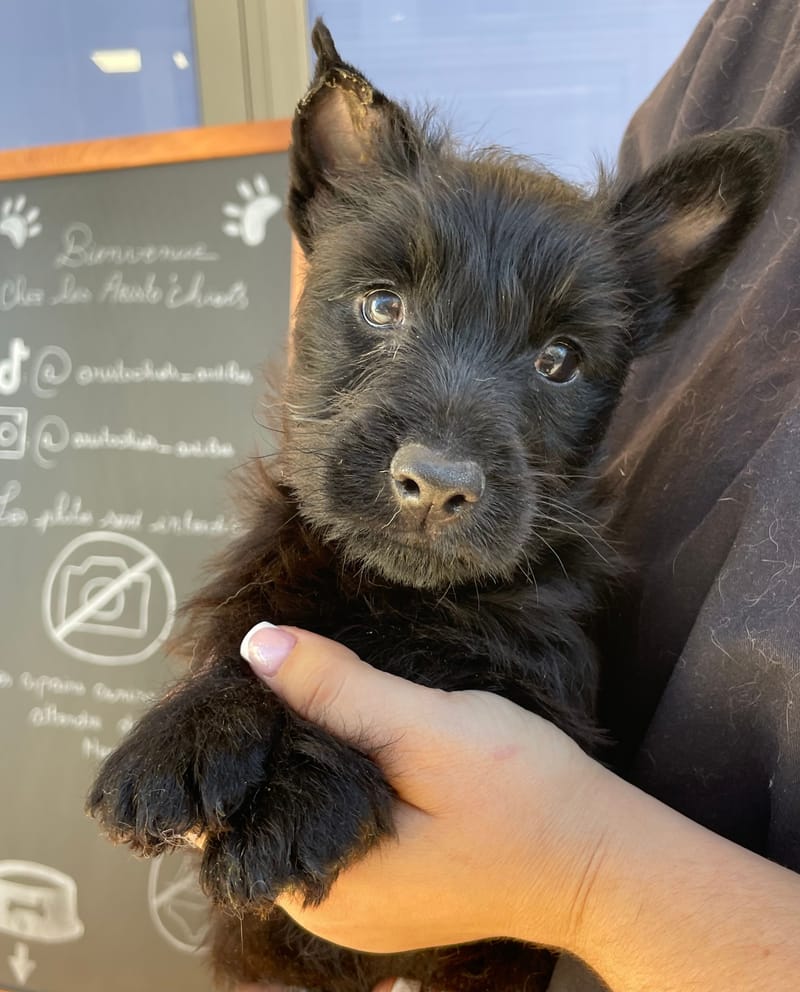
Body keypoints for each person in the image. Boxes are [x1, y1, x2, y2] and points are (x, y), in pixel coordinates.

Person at [240, 1, 800, 989]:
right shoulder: (751, 36)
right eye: (384, 305)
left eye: (554, 359)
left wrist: (577, 877)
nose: (440, 467)